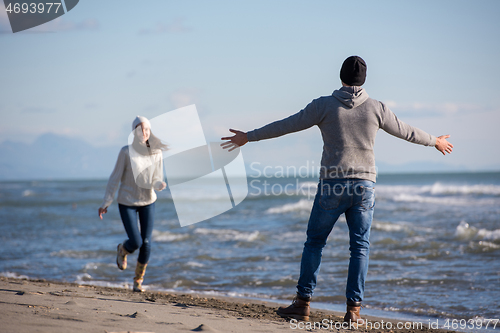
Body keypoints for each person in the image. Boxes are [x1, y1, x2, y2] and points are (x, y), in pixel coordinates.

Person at [221, 56, 453, 325]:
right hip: (364, 186)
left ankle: (302, 303)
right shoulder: (377, 108)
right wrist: (434, 141)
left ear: (341, 76)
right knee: (360, 248)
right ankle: (354, 312)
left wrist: (249, 136)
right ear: (363, 80)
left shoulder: (324, 105)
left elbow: (287, 124)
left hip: (332, 184)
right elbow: (406, 131)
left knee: (315, 243)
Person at [98, 116, 168, 292]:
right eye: (139, 129)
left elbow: (157, 177)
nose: (143, 133)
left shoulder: (156, 152)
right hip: (127, 202)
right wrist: (106, 202)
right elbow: (115, 178)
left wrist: (159, 184)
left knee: (146, 243)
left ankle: (138, 281)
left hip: (148, 201)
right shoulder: (125, 152)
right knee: (135, 242)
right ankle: (122, 249)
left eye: (146, 130)